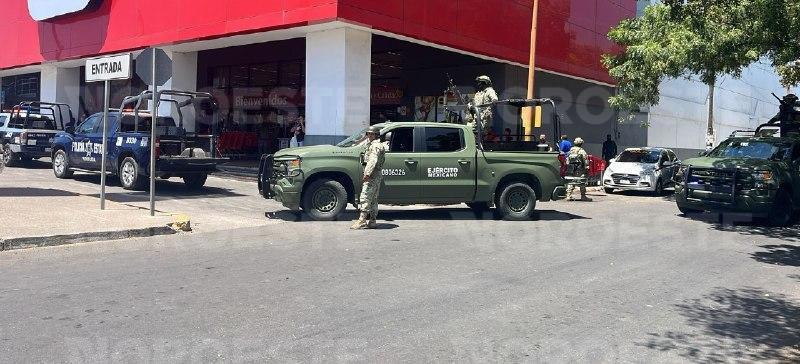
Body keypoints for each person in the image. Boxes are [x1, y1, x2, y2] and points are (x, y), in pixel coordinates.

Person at [351, 125, 387, 230]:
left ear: (376, 135)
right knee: (373, 199)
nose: (369, 136)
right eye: (368, 134)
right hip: (376, 175)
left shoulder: (375, 146)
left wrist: (367, 174)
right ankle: (372, 221)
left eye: (372, 134)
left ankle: (362, 220)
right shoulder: (374, 144)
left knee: (365, 196)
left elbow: (372, 161)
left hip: (372, 175)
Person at [565, 137, 591, 201]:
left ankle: (568, 195)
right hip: (579, 169)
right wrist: (587, 167)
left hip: (571, 168)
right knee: (582, 181)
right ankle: (583, 196)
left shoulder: (571, 150)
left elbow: (567, 159)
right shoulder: (581, 151)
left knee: (571, 181)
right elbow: (585, 160)